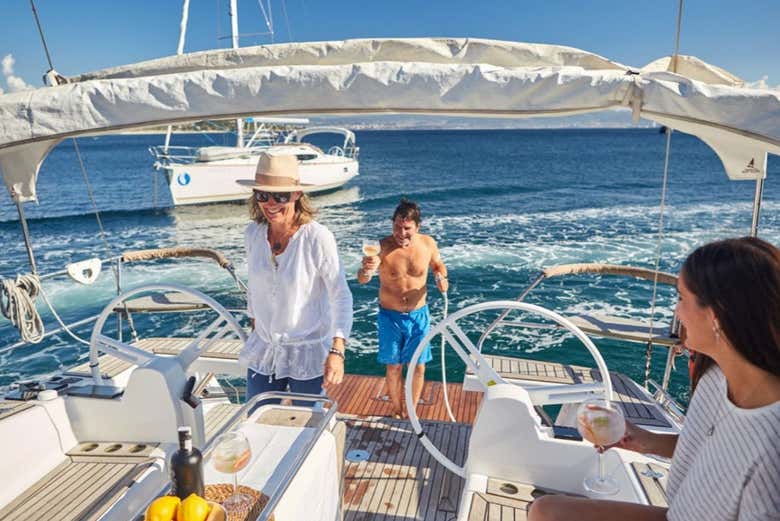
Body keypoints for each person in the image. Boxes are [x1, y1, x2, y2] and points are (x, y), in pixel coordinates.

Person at [529, 237, 780, 521]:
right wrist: (644, 440)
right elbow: (714, 450)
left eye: (682, 299)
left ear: (715, 316)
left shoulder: (773, 451)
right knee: (546, 511)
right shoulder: (716, 377)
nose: (676, 312)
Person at [236, 151, 353, 408]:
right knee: (256, 421)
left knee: (306, 425)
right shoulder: (253, 234)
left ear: (298, 195)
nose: (270, 203)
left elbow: (340, 295)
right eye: (263, 195)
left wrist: (337, 350)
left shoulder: (317, 237)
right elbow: (254, 289)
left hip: (307, 351)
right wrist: (255, 324)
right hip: (265, 349)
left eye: (280, 196)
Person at [358, 198, 448, 419]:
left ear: (417, 227)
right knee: (394, 367)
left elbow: (437, 264)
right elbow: (362, 279)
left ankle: (411, 411)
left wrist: (441, 276)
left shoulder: (428, 244)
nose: (401, 233)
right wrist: (366, 271)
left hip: (419, 315)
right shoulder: (382, 247)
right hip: (390, 317)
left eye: (406, 228)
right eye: (397, 227)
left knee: (418, 366)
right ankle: (397, 411)